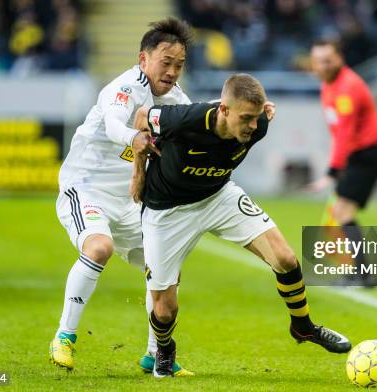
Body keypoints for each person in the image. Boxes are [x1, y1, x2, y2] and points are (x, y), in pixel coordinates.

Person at [131, 74, 351, 378]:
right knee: (165, 310)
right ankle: (165, 349)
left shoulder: (258, 125)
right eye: (245, 118)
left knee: (286, 259)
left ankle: (303, 327)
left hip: (218, 196)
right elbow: (141, 118)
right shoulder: (185, 120)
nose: (251, 125)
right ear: (223, 110)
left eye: (255, 117)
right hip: (167, 209)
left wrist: (257, 116)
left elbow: (255, 118)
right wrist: (137, 175)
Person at [50, 17, 193, 376]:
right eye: (166, 62)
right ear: (143, 59)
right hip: (87, 187)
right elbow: (115, 124)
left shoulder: (176, 100)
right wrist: (135, 139)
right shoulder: (125, 87)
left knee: (165, 266)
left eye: (179, 65)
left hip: (132, 200)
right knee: (99, 247)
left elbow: (200, 130)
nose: (173, 71)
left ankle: (155, 354)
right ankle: (64, 337)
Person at [306, 39, 377, 285]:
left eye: (328, 60)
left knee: (342, 212)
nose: (323, 65)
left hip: (366, 155)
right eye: (319, 61)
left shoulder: (348, 87)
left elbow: (345, 133)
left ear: (340, 58)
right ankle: (359, 274)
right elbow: (337, 132)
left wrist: (332, 171)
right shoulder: (327, 86)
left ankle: (360, 275)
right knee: (341, 212)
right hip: (355, 156)